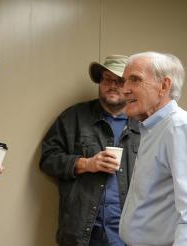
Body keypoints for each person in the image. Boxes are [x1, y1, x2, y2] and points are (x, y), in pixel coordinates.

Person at [40, 55, 140, 246]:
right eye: (106, 79)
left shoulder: (143, 124)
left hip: (128, 235)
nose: (112, 85)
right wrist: (86, 164)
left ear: (129, 86)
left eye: (119, 80)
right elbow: (47, 159)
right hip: (83, 233)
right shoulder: (74, 117)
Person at [119, 52, 187, 245]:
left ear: (164, 86)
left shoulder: (179, 127)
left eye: (135, 80)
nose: (125, 89)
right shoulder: (150, 128)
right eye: (124, 81)